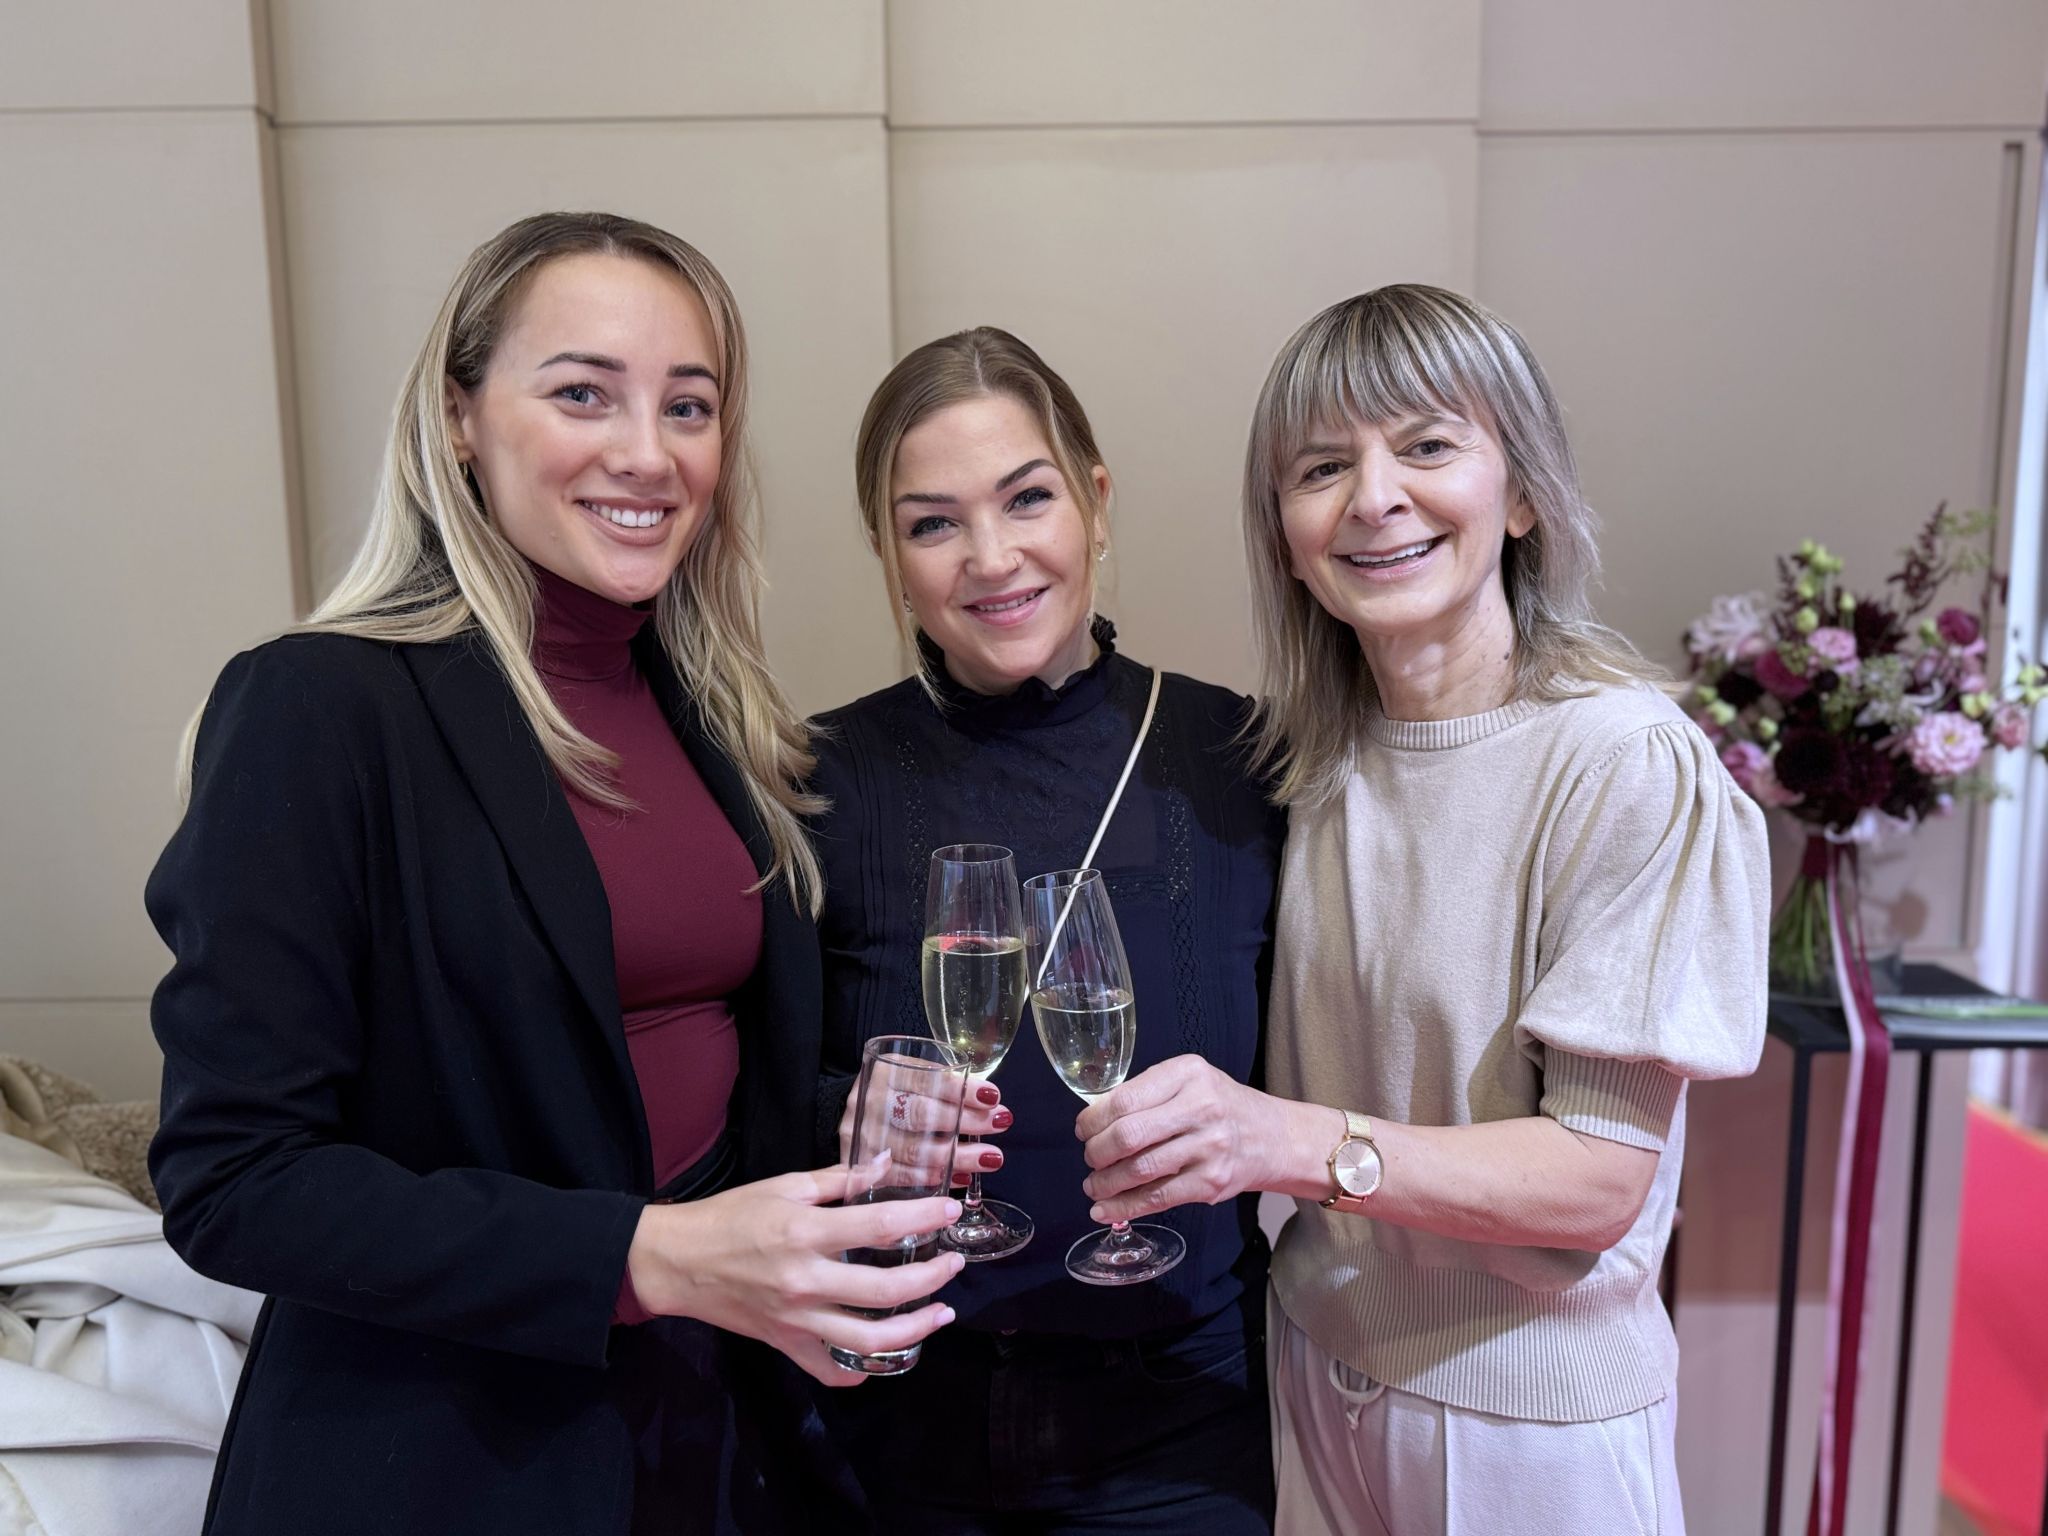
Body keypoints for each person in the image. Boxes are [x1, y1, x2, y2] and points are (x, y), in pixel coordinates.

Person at [145, 211, 969, 1536]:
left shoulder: (712, 715)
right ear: (461, 415)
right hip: (445, 1468)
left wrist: (846, 1117)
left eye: (688, 406)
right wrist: (644, 1260)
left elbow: (653, 1077)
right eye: (583, 392)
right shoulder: (321, 707)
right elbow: (235, 1181)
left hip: (707, 1441)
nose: (648, 453)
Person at [1075, 286, 1770, 1534]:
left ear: (1521, 494)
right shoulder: (1307, 764)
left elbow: (1592, 1183)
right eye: (1322, 466)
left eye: (1427, 446)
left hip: (1525, 1429)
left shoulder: (1621, 763)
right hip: (1307, 1377)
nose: (1374, 497)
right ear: (1284, 532)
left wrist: (1280, 1142)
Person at [808, 327, 1287, 1532]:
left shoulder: (1240, 760)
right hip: (886, 1423)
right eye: (931, 523)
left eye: (1028, 499)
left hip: (1185, 1420)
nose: (991, 557)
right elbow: (742, 1102)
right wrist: (837, 1107)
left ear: (1095, 499)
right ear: (888, 553)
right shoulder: (813, 779)